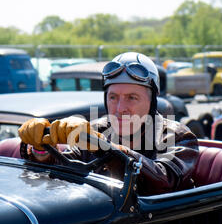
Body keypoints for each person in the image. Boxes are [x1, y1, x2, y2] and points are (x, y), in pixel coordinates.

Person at [18, 52, 199, 195]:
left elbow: (165, 180)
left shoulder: (177, 135)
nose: (120, 108)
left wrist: (107, 148)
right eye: (113, 97)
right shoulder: (97, 129)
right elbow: (64, 167)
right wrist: (42, 148)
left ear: (152, 101)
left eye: (132, 98)